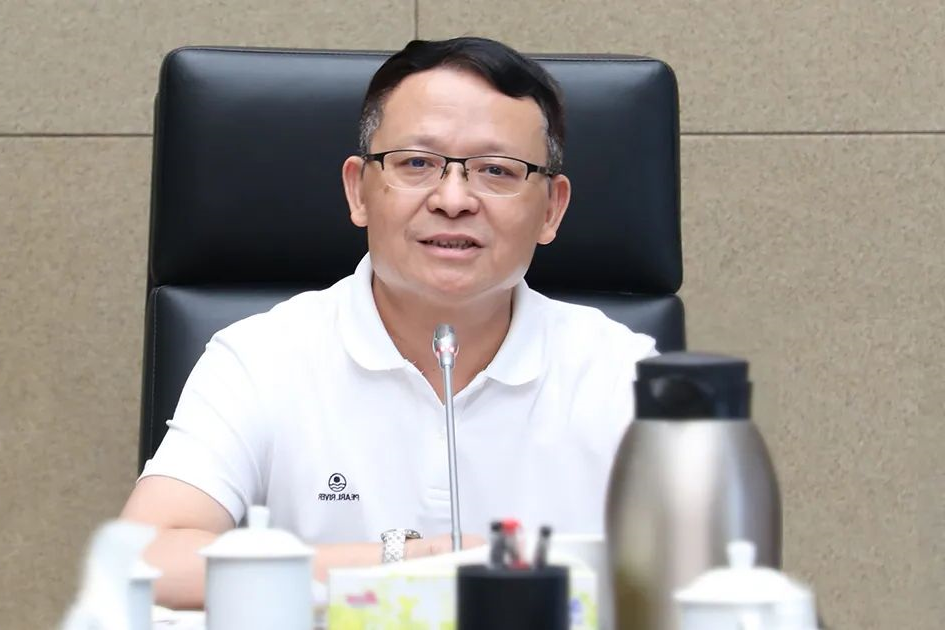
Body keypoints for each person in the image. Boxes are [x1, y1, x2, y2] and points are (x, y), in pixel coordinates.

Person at [121, 36, 657, 609]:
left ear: (551, 209)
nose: (453, 199)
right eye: (417, 163)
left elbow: (697, 578)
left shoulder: (624, 374)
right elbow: (143, 559)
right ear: (358, 191)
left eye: (496, 170)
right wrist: (412, 566)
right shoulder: (261, 356)